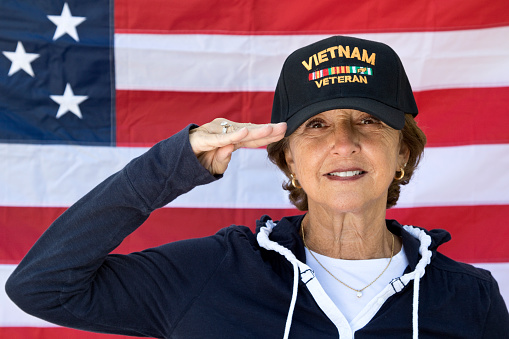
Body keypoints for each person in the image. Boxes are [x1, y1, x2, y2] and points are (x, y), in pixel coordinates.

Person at [6, 36, 509, 338]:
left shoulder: (471, 299)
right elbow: (42, 287)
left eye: (368, 122)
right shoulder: (213, 274)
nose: (344, 143)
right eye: (316, 126)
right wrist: (174, 165)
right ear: (287, 157)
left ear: (403, 152)